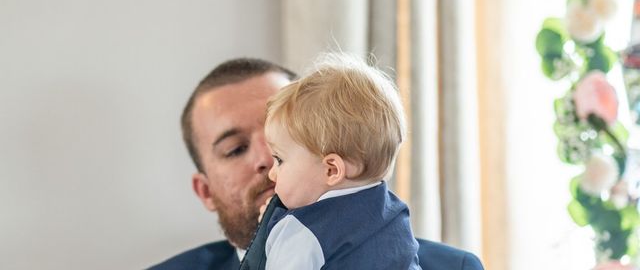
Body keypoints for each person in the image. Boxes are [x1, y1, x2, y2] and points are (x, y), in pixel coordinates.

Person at [149, 57, 484, 270]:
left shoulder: (454, 267)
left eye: (286, 140)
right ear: (205, 191)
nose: (267, 159)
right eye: (236, 149)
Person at [248, 53, 420, 269]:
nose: (272, 173)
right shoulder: (396, 216)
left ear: (331, 170)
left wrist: (269, 233)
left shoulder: (301, 231)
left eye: (280, 160)